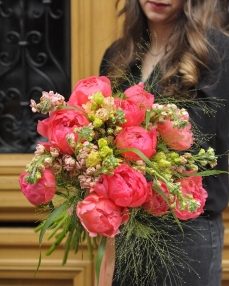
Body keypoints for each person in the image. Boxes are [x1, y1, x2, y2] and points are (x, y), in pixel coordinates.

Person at [99, 0, 229, 285]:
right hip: (127, 230)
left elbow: (203, 144)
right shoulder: (118, 54)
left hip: (187, 231)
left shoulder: (217, 51)